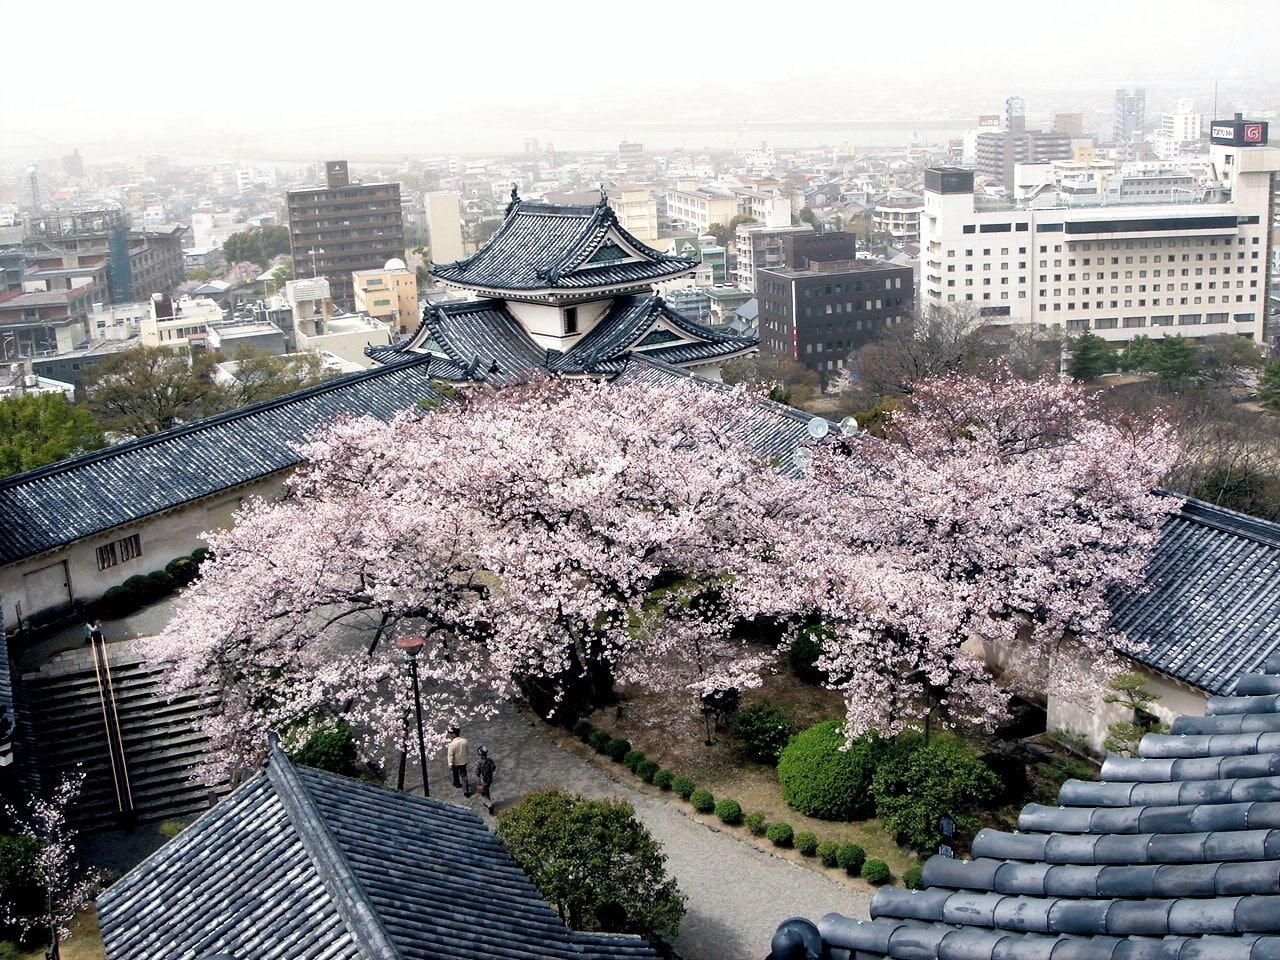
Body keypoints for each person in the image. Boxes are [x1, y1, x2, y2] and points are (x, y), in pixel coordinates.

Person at [447, 726, 471, 796]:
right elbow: (467, 751)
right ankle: (465, 789)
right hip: (463, 761)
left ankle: (457, 783)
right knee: (464, 775)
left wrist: (450, 764)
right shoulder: (465, 741)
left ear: (454, 734)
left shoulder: (452, 744)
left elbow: (450, 756)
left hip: (456, 762)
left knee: (455, 773)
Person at [475, 746, 496, 815]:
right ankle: (488, 802)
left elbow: (477, 773)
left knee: (483, 793)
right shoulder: (490, 760)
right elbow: (494, 768)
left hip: (483, 780)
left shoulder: (479, 762)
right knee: (487, 790)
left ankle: (489, 805)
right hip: (490, 779)